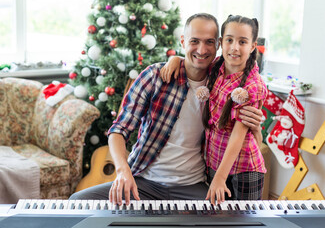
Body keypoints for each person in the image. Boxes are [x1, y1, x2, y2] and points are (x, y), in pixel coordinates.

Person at [69, 13, 263, 206]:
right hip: (144, 182)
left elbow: (246, 73)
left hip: (194, 186)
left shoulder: (220, 81)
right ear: (183, 41)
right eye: (194, 41)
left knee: (227, 220)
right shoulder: (155, 76)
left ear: (217, 45)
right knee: (77, 204)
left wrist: (255, 128)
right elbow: (118, 130)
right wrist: (122, 171)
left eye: (209, 42)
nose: (202, 50)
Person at [161, 15, 268, 205]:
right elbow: (194, 60)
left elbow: (238, 137)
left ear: (252, 46)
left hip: (243, 169)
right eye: (229, 40)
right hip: (213, 162)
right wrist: (175, 59)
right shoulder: (216, 67)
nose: (234, 47)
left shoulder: (253, 86)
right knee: (216, 220)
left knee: (244, 222)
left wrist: (219, 178)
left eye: (242, 42)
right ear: (221, 42)